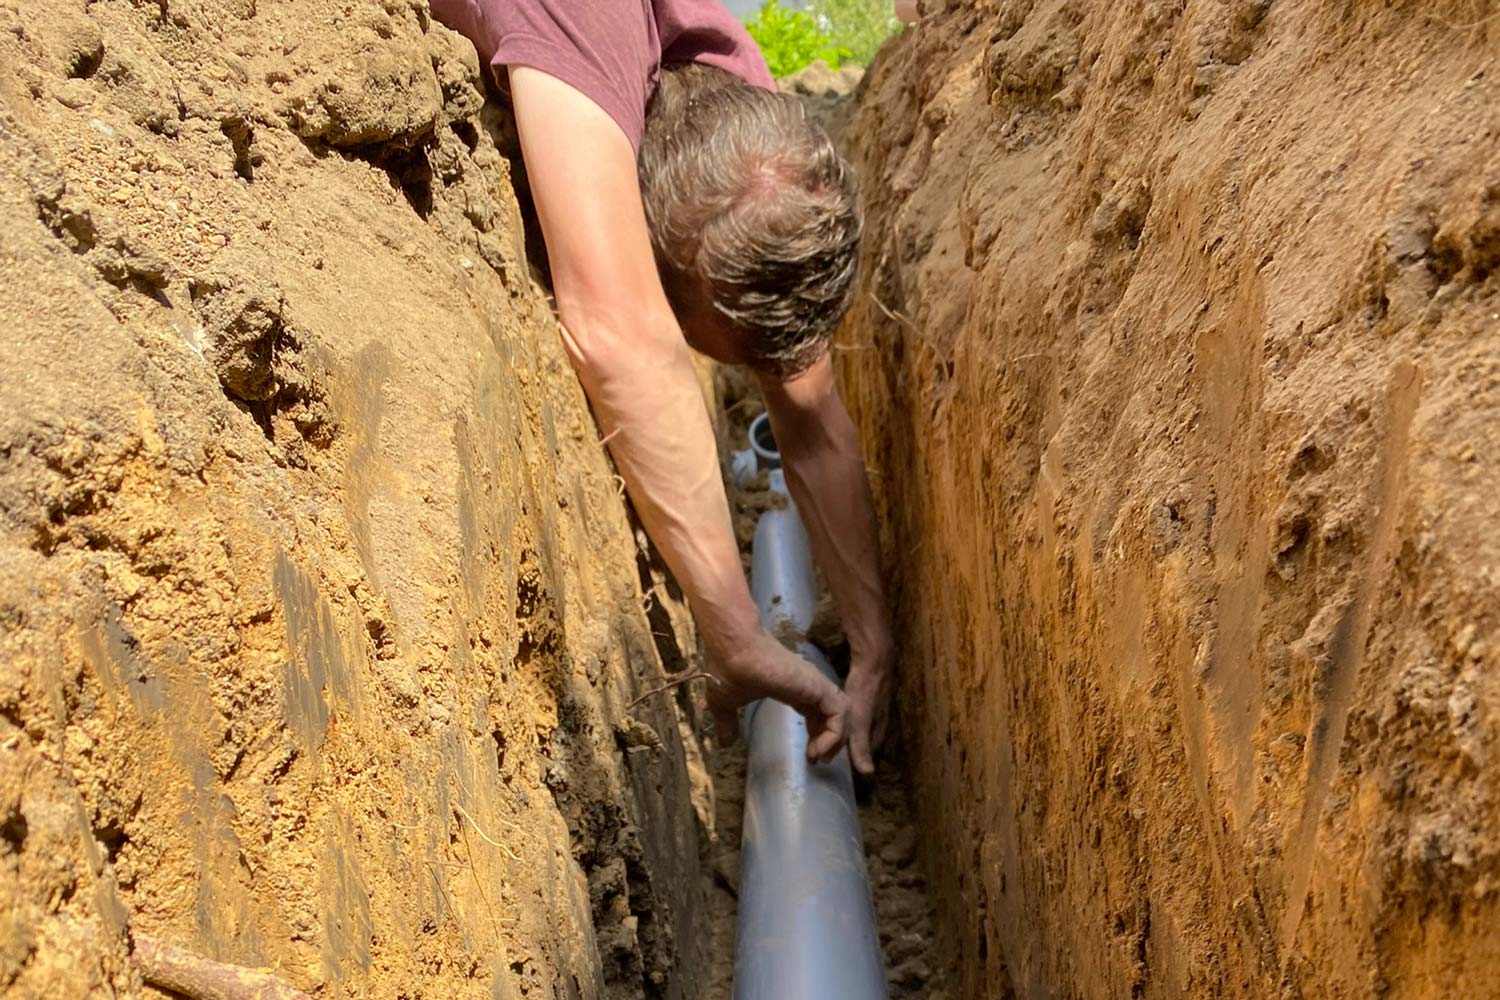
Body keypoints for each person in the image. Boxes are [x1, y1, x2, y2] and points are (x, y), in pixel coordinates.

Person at [429, 0, 892, 774]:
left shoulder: (742, 111)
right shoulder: (579, 23)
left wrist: (873, 647)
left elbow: (809, 416)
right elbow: (621, 333)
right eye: (710, 350)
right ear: (649, 245)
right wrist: (736, 633)